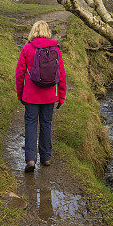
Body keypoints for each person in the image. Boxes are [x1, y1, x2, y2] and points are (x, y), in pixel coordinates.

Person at [15, 20, 66, 173]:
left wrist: (20, 94)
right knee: (46, 124)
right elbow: (61, 74)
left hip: (31, 95)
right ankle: (46, 157)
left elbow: (19, 74)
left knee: (30, 125)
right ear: (47, 31)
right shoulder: (55, 49)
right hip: (50, 96)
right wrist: (61, 95)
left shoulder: (27, 48)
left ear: (33, 31)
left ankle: (30, 159)